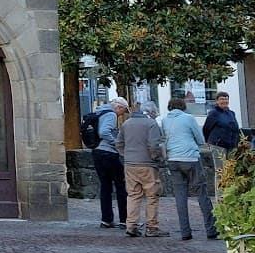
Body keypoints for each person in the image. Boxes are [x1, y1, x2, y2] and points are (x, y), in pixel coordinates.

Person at [162, 94, 218, 241]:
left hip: (173, 159)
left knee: (180, 196)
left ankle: (185, 232)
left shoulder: (165, 120)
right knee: (201, 192)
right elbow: (200, 139)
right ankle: (211, 229)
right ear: (183, 106)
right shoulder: (188, 118)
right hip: (191, 158)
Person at [118, 100, 166, 237]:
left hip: (130, 164)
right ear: (151, 112)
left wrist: (126, 155)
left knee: (133, 195)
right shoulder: (151, 124)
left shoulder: (126, 123)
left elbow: (119, 143)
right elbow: (154, 144)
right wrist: (156, 158)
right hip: (147, 165)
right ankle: (152, 227)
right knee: (152, 196)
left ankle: (131, 225)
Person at [91, 96, 128, 230]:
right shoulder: (111, 114)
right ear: (118, 107)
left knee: (105, 187)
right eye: (123, 111)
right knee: (120, 185)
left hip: (97, 152)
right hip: (108, 152)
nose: (121, 115)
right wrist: (116, 142)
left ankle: (106, 219)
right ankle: (124, 219)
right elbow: (104, 132)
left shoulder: (99, 112)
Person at [203, 91, 241, 191]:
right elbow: (206, 128)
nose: (224, 101)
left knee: (230, 171)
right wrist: (209, 142)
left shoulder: (231, 113)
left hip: (231, 146)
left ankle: (229, 193)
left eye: (226, 99)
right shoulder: (214, 114)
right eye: (221, 99)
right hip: (218, 145)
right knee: (220, 171)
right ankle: (220, 198)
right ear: (217, 101)